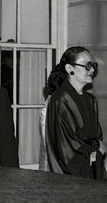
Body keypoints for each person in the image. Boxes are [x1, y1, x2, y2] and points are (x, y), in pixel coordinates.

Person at [43, 46, 106, 179]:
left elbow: (96, 135)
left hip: (92, 170)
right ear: (69, 69)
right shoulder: (60, 100)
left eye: (93, 65)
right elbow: (65, 146)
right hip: (70, 175)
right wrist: (96, 146)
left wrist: (96, 146)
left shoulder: (91, 100)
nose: (93, 70)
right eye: (87, 65)